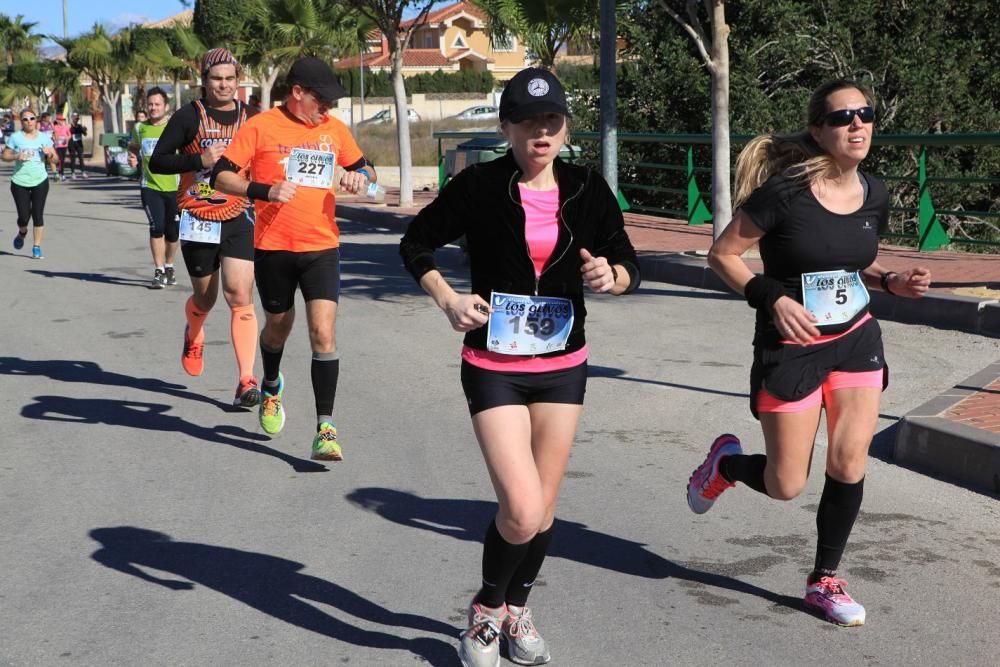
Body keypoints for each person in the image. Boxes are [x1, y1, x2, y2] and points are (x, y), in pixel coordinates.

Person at [399, 67, 640, 666]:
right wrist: (448, 298)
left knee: (546, 508)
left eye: (552, 120)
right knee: (522, 508)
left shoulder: (587, 188)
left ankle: (518, 609)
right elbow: (416, 243)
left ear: (564, 128)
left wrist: (614, 277)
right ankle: (485, 610)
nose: (542, 130)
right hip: (494, 363)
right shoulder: (480, 186)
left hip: (563, 364)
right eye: (529, 120)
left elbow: (628, 258)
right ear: (507, 127)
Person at [688, 79, 932, 628]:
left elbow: (849, 262)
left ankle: (824, 580)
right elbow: (722, 255)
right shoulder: (785, 193)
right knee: (785, 484)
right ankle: (725, 464)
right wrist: (771, 296)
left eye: (865, 114)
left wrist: (890, 279)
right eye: (843, 117)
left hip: (855, 339)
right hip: (791, 348)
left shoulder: (875, 193)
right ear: (819, 130)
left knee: (848, 460)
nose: (857, 125)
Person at [212, 56, 377, 460]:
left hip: (321, 247)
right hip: (274, 249)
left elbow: (366, 169)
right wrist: (265, 191)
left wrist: (362, 177)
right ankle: (270, 385)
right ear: (297, 93)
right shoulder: (261, 126)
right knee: (278, 328)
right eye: (322, 100)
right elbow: (221, 176)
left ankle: (326, 428)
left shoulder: (334, 130)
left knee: (323, 334)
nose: (329, 108)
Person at [149, 48, 261, 408]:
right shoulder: (188, 117)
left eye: (230, 78)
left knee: (239, 295)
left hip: (239, 214)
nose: (224, 85)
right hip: (198, 216)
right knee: (206, 297)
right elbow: (159, 161)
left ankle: (246, 380)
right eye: (217, 78)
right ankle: (193, 331)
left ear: (238, 79)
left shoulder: (252, 118)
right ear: (205, 80)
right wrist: (198, 159)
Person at [128, 87, 180, 289]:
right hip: (149, 186)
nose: (153, 108)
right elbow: (133, 146)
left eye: (157, 104)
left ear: (166, 106)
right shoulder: (140, 128)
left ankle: (169, 266)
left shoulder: (175, 128)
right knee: (156, 227)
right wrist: (132, 156)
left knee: (172, 232)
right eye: (150, 104)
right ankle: (158, 271)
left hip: (174, 188)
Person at [2, 108, 58, 259]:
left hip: (40, 180)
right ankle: (22, 232)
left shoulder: (44, 138)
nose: (29, 122)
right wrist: (16, 156)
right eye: (25, 119)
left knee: (38, 215)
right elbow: (4, 155)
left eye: (32, 118)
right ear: (21, 122)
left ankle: (36, 246)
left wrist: (50, 154)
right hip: (19, 181)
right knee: (23, 217)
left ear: (36, 120)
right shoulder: (15, 137)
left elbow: (56, 160)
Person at [67, 112, 88, 179]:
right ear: (72, 118)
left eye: (77, 118)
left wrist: (84, 129)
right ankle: (73, 173)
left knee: (81, 158)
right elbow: (67, 133)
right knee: (73, 158)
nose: (76, 120)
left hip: (79, 144)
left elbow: (85, 134)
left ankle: (83, 172)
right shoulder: (69, 126)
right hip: (72, 144)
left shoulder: (79, 126)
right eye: (75, 118)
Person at [52, 114, 71, 181]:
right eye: (61, 120)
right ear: (57, 120)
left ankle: (61, 173)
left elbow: (69, 135)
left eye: (63, 120)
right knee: (60, 159)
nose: (62, 121)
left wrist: (67, 139)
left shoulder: (66, 127)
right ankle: (61, 174)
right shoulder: (55, 127)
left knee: (63, 160)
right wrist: (55, 139)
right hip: (58, 145)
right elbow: (53, 135)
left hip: (64, 145)